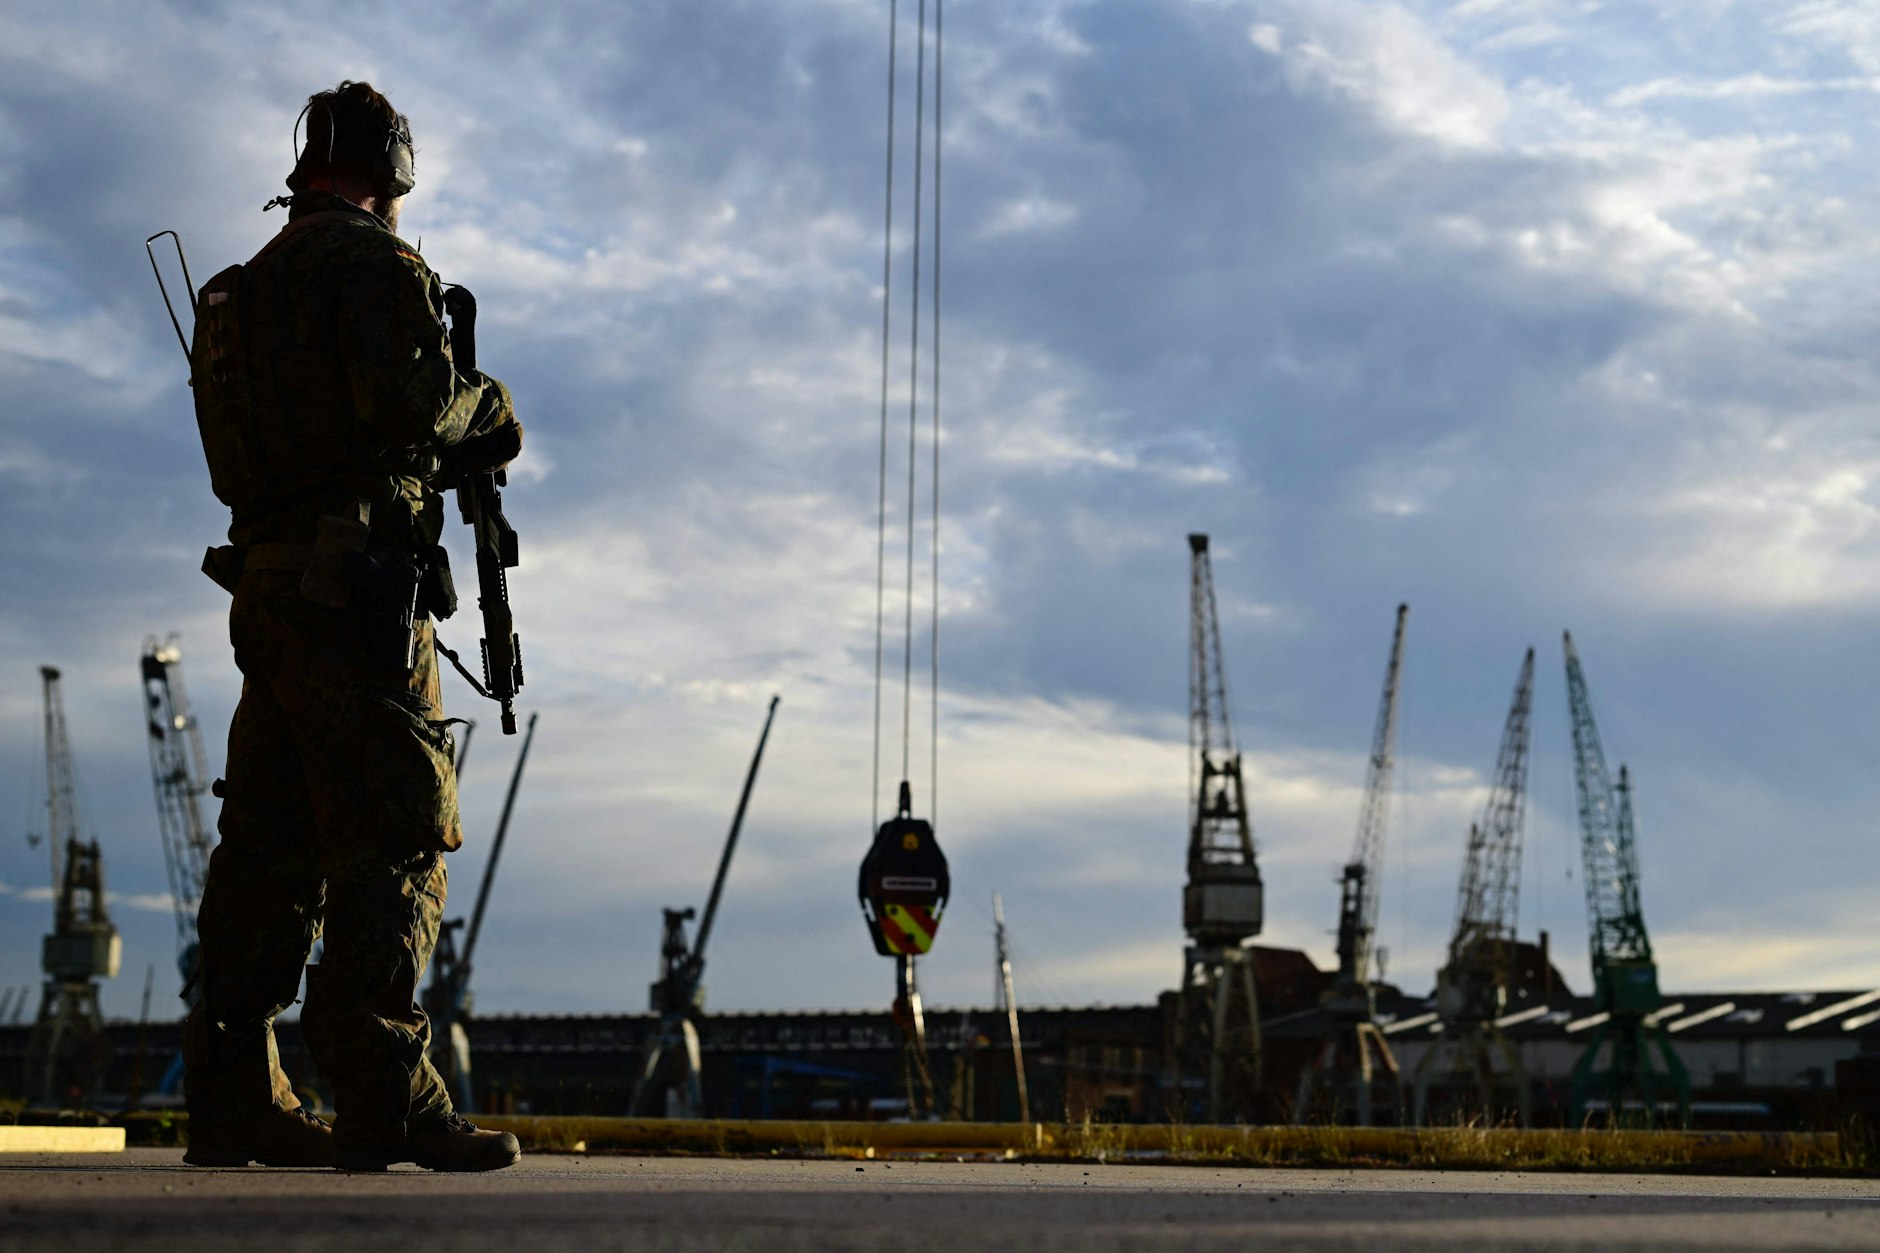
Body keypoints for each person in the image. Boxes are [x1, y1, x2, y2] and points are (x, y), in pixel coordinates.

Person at [182, 80, 524, 1173]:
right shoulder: (374, 265)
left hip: (270, 591)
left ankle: (233, 1095)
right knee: (396, 827)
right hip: (361, 595)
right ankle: (385, 1091)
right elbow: (420, 404)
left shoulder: (240, 291)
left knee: (267, 847)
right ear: (392, 171)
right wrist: (490, 408)